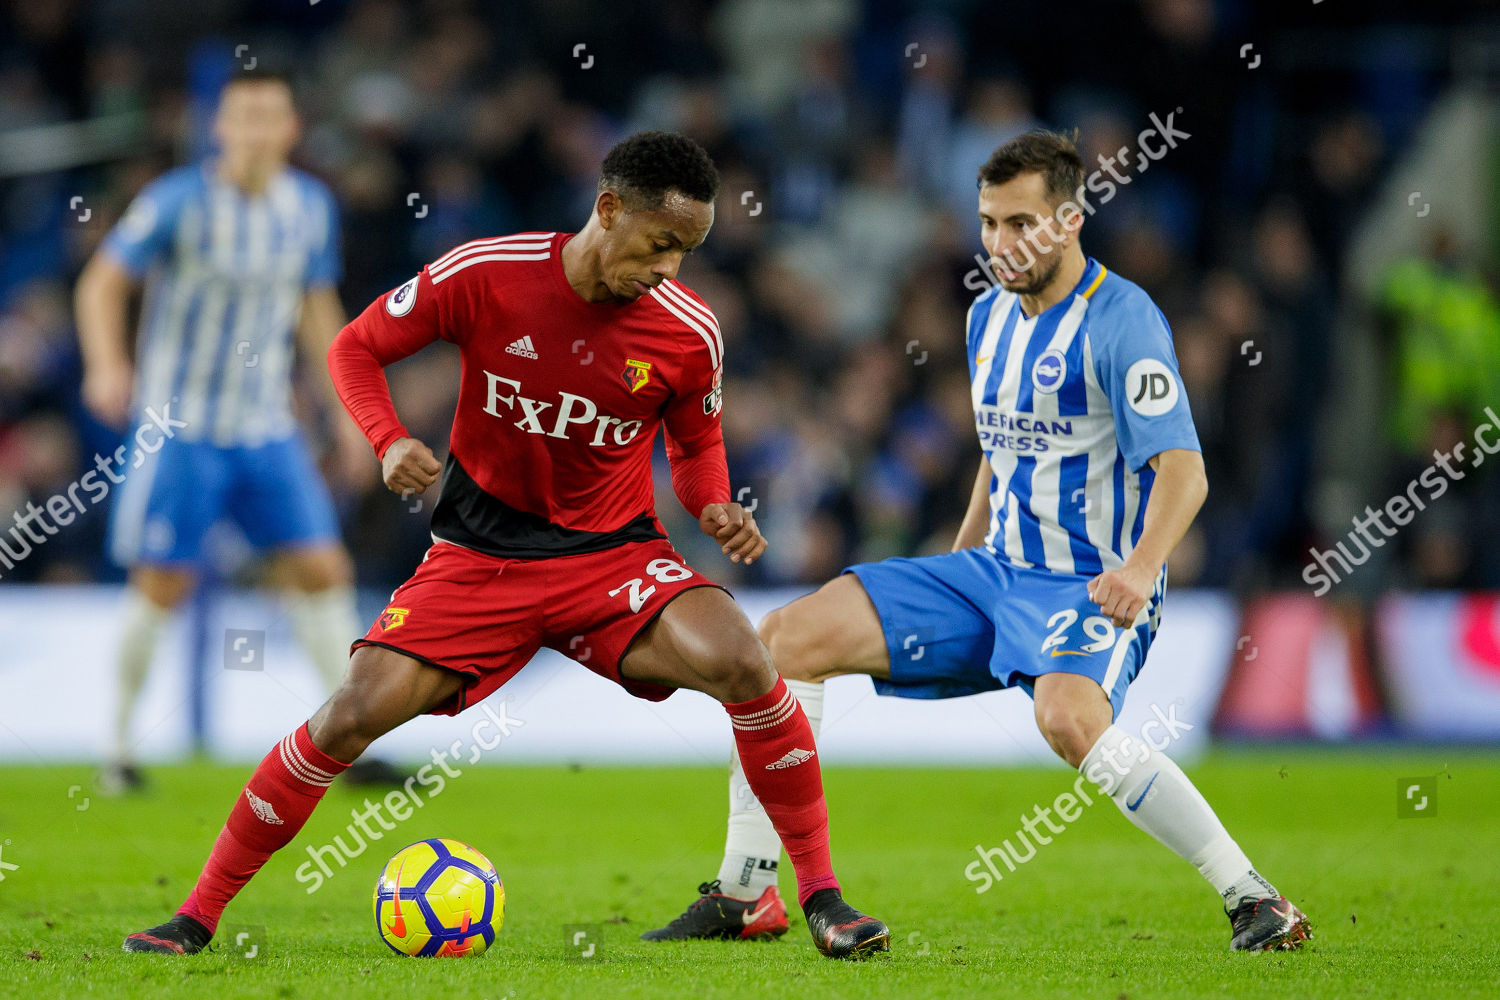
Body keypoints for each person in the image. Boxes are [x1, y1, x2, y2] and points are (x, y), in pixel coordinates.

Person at [121, 131, 889, 960]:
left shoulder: (689, 331)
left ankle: (818, 897)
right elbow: (354, 347)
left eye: (689, 251)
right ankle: (195, 915)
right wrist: (385, 441)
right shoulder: (486, 273)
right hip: (476, 561)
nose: (672, 267)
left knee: (746, 662)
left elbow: (696, 449)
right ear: (608, 210)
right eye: (662, 243)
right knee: (347, 717)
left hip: (613, 559)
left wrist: (712, 508)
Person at [646, 130, 1312, 953]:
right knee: (782, 638)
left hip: (1088, 582)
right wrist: (960, 556)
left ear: (1069, 222)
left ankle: (1254, 897)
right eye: (990, 222)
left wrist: (1141, 569)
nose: (1000, 244)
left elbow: (1185, 470)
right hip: (995, 572)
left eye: (1020, 223)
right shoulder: (987, 315)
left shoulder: (1123, 320)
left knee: (1067, 719)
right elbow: (1004, 456)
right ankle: (748, 891)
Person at [74, 68, 394, 791]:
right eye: (239, 118)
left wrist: (346, 412)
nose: (252, 131)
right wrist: (104, 363)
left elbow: (317, 312)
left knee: (323, 568)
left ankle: (345, 744)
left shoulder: (309, 207)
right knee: (163, 581)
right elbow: (102, 281)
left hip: (266, 427)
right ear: (219, 128)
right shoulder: (177, 201)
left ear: (289, 129)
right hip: (180, 427)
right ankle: (116, 751)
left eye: (267, 118)